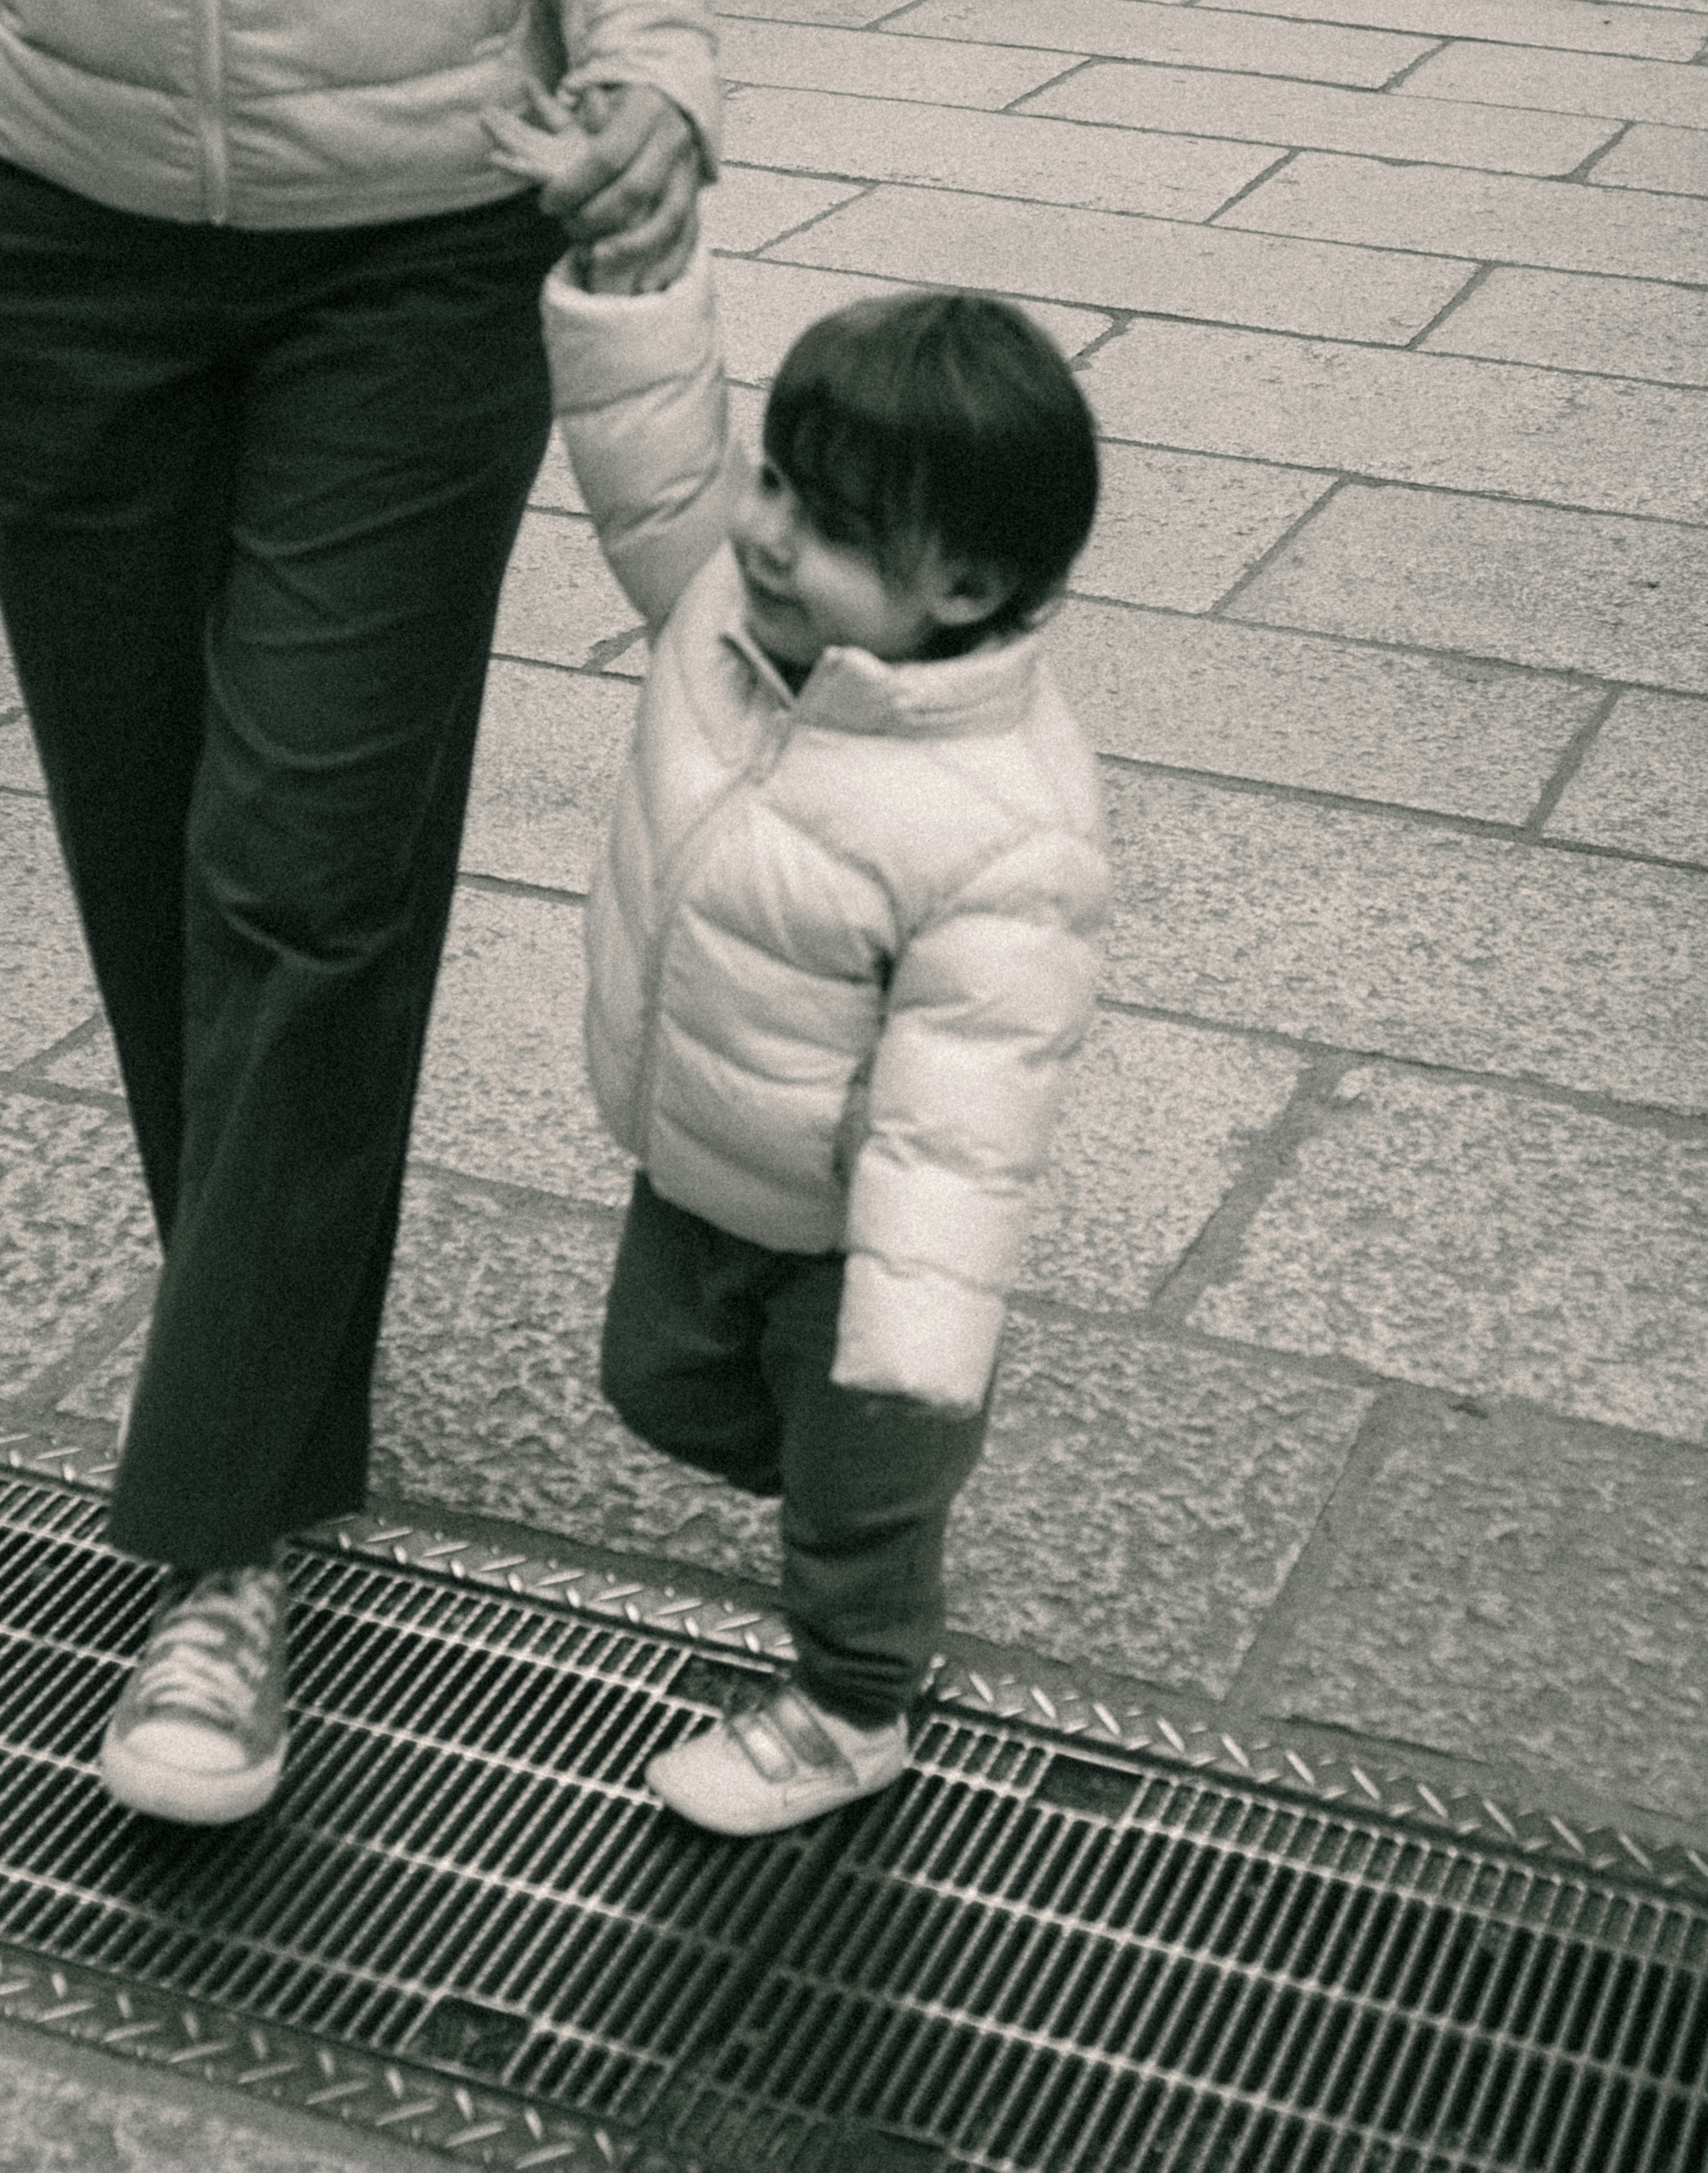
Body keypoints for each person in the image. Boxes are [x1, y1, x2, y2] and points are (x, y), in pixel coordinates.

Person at [0, 1, 721, 1826]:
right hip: (42, 212)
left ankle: (225, 1552)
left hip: (423, 235)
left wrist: (665, 56)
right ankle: (265, 1429)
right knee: (153, 870)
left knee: (305, 874)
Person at [498, 106, 1111, 1836]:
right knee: (655, 1385)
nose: (771, 536)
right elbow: (649, 460)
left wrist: (915, 1351)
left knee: (854, 1483)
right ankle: (869, 1514)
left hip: (861, 1236)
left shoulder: (1004, 827)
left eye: (835, 528)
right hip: (707, 1151)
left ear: (967, 588)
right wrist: (632, 284)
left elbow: (964, 1117)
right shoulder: (726, 607)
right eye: (779, 483)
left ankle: (854, 1701)